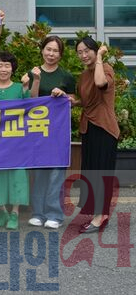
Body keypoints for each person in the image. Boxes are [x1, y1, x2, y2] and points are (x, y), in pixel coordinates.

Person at [27, 35, 76, 230]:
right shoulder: (33, 73)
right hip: (38, 132)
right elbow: (30, 100)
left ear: (60, 55)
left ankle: (55, 214)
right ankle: (38, 213)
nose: (51, 53)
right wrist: (36, 80)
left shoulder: (66, 76)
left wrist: (63, 95)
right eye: (48, 49)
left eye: (55, 50)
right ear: (42, 50)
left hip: (58, 132)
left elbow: (73, 100)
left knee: (56, 173)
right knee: (39, 173)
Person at [74, 37, 118, 233]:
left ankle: (100, 218)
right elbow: (86, 101)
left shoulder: (105, 68)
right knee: (92, 172)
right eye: (79, 52)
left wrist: (100, 57)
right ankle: (99, 215)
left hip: (104, 127)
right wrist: (73, 101)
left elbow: (100, 83)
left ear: (95, 50)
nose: (83, 55)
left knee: (101, 173)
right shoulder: (84, 75)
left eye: (87, 51)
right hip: (89, 127)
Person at [0, 52, 30, 230]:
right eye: (0, 65)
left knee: (17, 176)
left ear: (13, 69)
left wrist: (27, 87)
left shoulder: (19, 87)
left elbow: (30, 108)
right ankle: (2, 211)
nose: (3, 69)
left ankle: (15, 213)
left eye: (7, 66)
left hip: (16, 141)